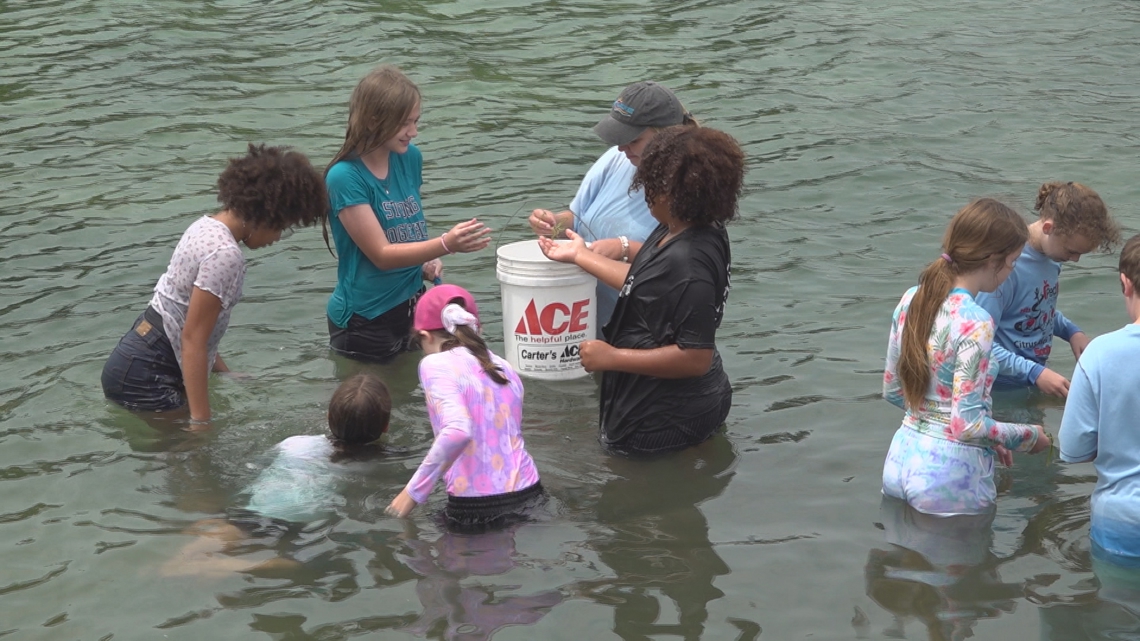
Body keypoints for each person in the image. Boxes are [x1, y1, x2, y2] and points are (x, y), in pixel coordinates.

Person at [538, 127, 743, 454]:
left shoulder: (691, 264)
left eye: (651, 186)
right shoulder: (682, 229)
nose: (644, 192)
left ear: (678, 193)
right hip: (670, 403)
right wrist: (581, 254)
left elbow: (695, 357)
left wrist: (613, 357)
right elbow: (648, 282)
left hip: (664, 419)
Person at [101, 144, 328, 424]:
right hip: (149, 376)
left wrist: (223, 372)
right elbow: (193, 339)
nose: (279, 238)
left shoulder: (205, 226)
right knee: (191, 458)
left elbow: (189, 317)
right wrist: (201, 422)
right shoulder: (225, 255)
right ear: (267, 213)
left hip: (133, 357)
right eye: (283, 226)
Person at [882, 198, 1051, 517]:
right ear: (993, 260)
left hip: (900, 460)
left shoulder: (911, 299)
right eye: (1013, 262)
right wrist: (1027, 436)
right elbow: (966, 426)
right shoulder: (976, 322)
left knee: (902, 562)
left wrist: (986, 436)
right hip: (949, 477)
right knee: (966, 566)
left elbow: (893, 390)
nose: (1012, 271)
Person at [324, 65, 491, 363]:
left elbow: (407, 226)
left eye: (415, 121)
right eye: (404, 124)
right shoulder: (344, 177)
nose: (413, 132)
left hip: (414, 307)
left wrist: (426, 259)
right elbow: (382, 254)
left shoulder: (409, 157)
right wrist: (445, 244)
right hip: (365, 319)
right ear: (375, 121)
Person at [163, 373, 391, 576]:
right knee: (294, 564)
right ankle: (230, 567)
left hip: (258, 505)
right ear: (385, 426)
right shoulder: (374, 464)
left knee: (221, 537)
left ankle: (174, 562)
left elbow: (259, 465)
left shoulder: (295, 443)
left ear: (329, 416)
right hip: (298, 521)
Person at [528, 81, 699, 333]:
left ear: (667, 136)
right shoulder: (616, 158)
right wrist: (553, 223)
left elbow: (683, 265)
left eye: (633, 140)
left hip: (648, 329)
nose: (621, 147)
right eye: (619, 138)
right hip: (589, 322)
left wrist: (623, 247)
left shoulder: (691, 186)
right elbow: (578, 218)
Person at [386, 284, 542, 531]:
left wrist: (411, 494)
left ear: (424, 336)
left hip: (477, 506)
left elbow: (458, 431)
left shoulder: (434, 364)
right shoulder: (504, 366)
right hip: (531, 492)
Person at [976, 181, 1120, 398]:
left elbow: (1034, 309)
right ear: (1048, 228)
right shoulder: (1005, 267)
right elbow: (978, 344)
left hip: (1030, 378)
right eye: (1072, 251)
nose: (1075, 260)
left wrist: (1071, 332)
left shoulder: (1052, 257)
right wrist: (1035, 372)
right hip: (997, 387)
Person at [1058, 234, 1140, 565]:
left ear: (1125, 283)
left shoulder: (1100, 354)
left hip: (1122, 523)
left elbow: (1074, 449)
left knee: (1118, 611)